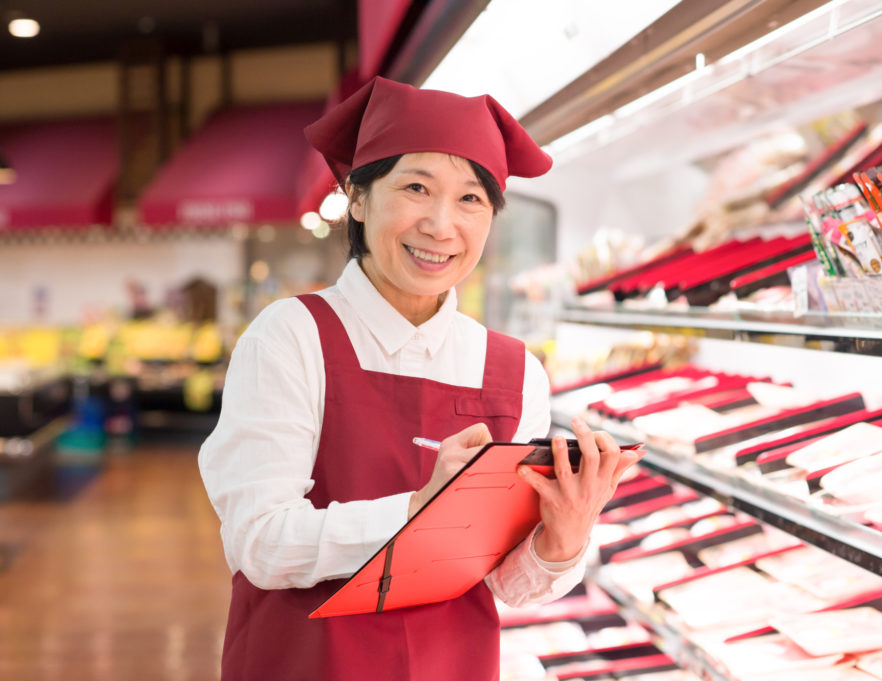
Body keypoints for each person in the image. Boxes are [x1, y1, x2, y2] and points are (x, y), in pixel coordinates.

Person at [198, 76, 641, 681]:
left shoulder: (516, 372)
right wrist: (419, 509)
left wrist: (563, 537)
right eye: (415, 188)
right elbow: (260, 542)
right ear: (357, 197)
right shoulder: (291, 337)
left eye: (470, 199)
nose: (440, 225)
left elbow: (506, 585)